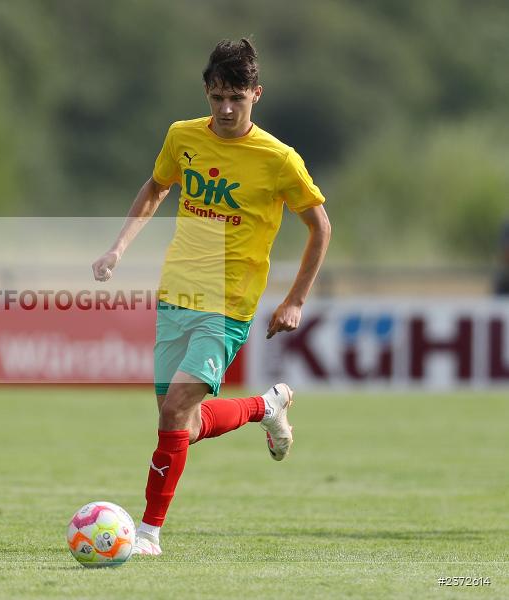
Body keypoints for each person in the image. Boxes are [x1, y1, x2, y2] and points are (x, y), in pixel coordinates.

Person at [91, 38, 331, 556]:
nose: (225, 109)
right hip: (177, 294)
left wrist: (295, 301)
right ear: (206, 91)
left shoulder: (279, 159)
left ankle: (149, 533)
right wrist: (117, 248)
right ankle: (266, 406)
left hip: (229, 305)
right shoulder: (182, 137)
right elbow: (156, 188)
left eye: (237, 98)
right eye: (218, 96)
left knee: (177, 407)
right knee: (181, 420)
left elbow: (320, 228)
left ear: (256, 95)